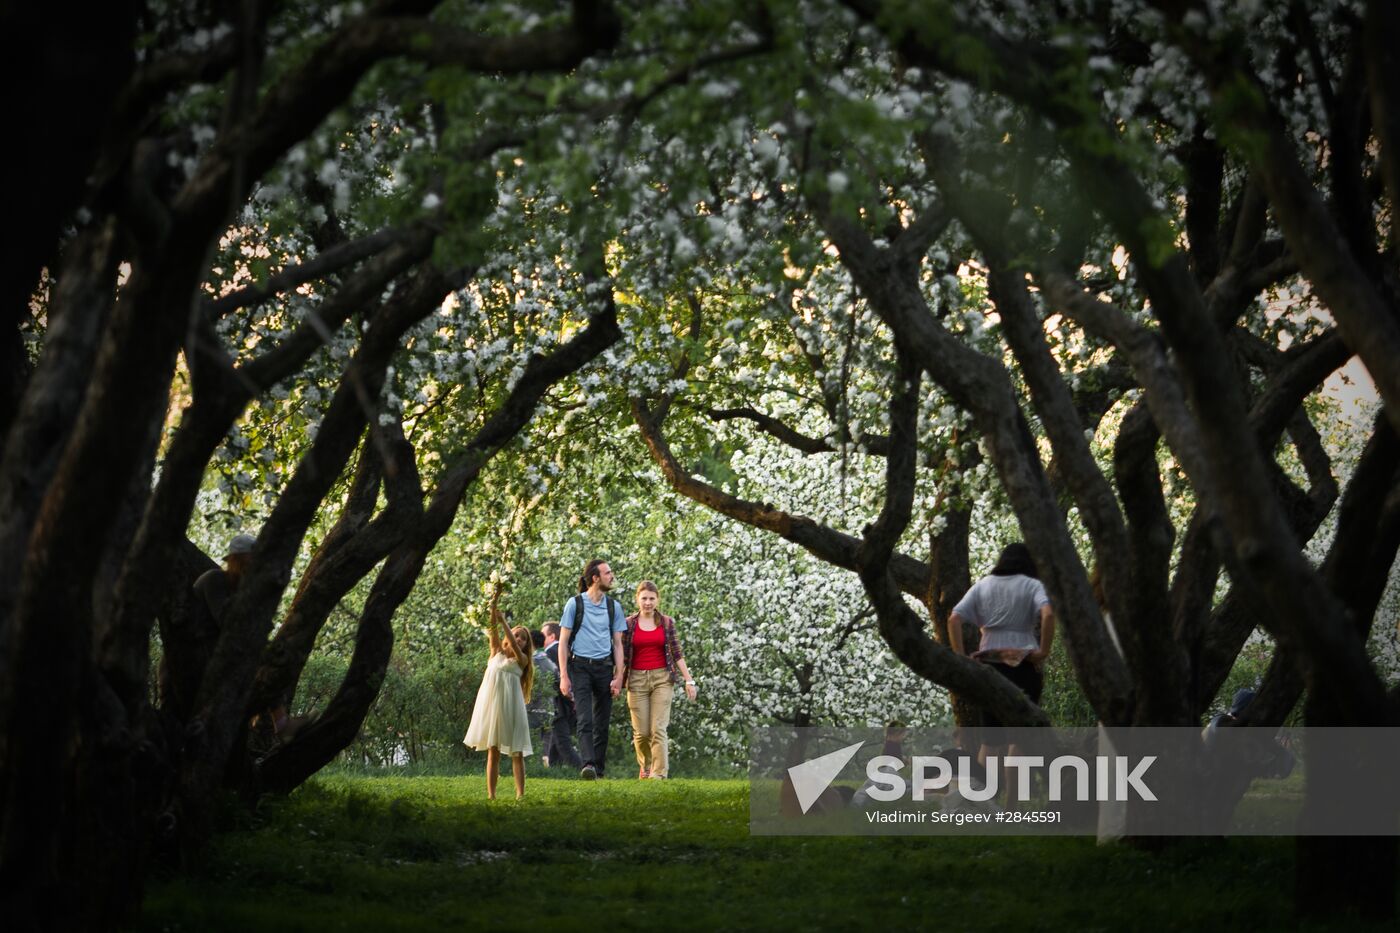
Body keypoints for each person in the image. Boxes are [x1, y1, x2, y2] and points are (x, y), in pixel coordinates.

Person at [947, 542, 1055, 803]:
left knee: (990, 737)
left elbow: (953, 619)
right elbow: (1049, 614)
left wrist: (962, 659)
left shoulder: (983, 585)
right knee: (1019, 738)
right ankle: (1012, 806)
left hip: (989, 664)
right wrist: (1043, 650)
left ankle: (985, 801)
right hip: (1024, 663)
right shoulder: (1032, 585)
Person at [557, 559, 627, 780]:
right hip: (580, 668)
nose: (611, 576)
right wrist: (564, 677)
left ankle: (599, 768)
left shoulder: (613, 607)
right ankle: (587, 765)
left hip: (604, 668)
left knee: (602, 722)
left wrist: (619, 677)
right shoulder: (574, 604)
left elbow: (618, 644)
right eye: (607, 573)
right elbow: (562, 642)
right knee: (585, 718)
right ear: (595, 578)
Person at [463, 591, 535, 799]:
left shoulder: (522, 660)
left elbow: (511, 642)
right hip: (493, 705)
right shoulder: (495, 652)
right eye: (517, 634)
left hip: (511, 706)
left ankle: (520, 794)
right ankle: (491, 795)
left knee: (517, 751)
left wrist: (505, 622)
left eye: (523, 638)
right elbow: (493, 626)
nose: (519, 639)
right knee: (492, 750)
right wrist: (494, 599)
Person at [622, 581, 697, 780]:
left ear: (657, 600)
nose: (648, 602)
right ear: (637, 599)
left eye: (651, 598)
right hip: (636, 679)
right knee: (642, 733)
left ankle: (658, 774)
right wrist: (616, 679)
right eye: (644, 598)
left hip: (662, 678)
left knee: (658, 729)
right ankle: (645, 765)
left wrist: (688, 681)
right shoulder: (628, 624)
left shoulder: (666, 623)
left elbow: (677, 653)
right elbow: (621, 656)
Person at [541, 623, 582, 769]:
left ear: (552, 636)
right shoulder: (566, 651)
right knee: (555, 745)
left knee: (563, 744)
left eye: (543, 634)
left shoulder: (552, 651)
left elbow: (555, 679)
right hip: (569, 704)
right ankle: (554, 772)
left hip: (559, 705)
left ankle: (584, 770)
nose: (540, 638)